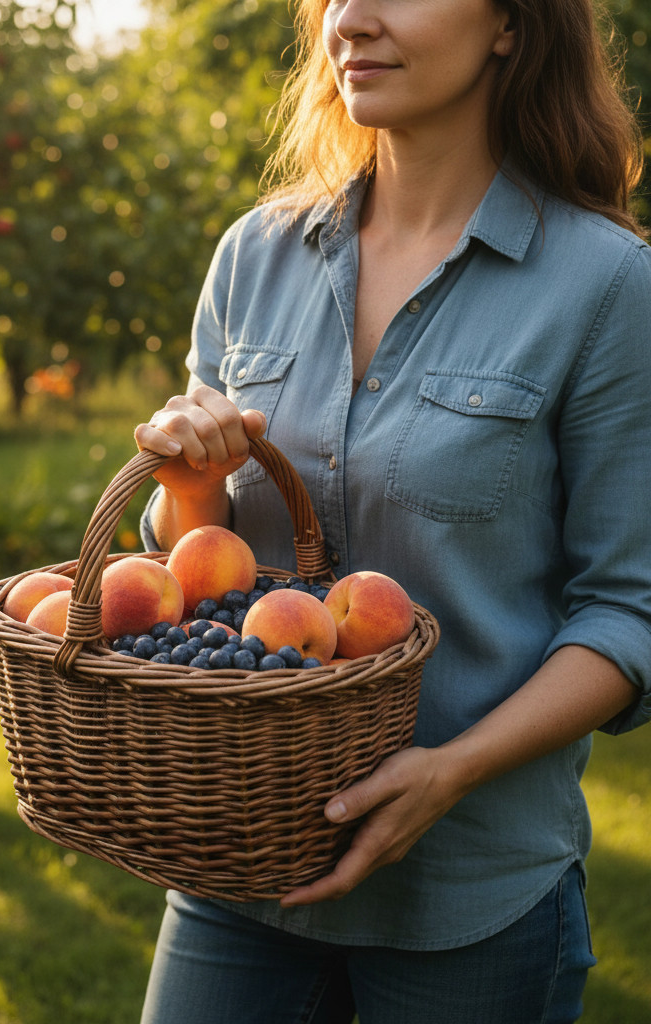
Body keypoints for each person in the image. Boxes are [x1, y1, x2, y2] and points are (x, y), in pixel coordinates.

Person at [132, 0, 651, 1021]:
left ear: (509, 24)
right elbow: (206, 582)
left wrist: (448, 772)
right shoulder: (256, 254)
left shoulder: (604, 285)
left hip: (468, 897)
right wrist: (189, 483)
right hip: (237, 864)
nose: (351, 19)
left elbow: (628, 609)